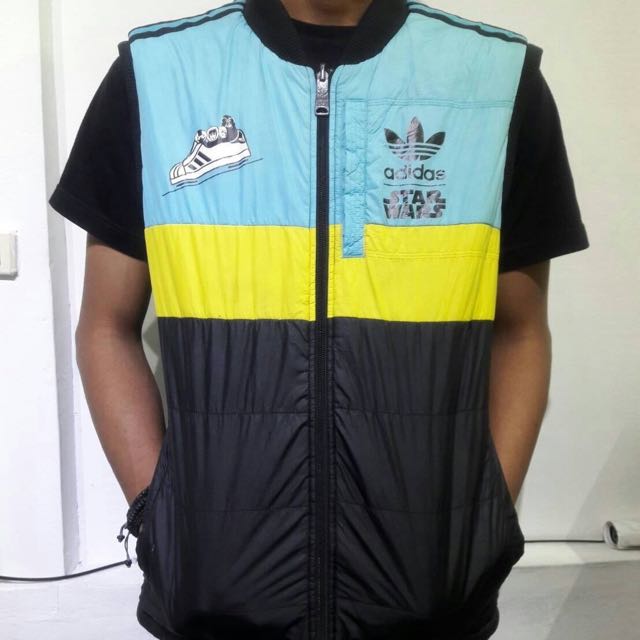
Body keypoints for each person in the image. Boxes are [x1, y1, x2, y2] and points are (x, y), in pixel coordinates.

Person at [48, 1, 590, 638]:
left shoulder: (497, 79)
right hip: (214, 602)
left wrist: (486, 516)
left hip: (432, 601)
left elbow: (520, 330)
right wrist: (158, 516)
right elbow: (105, 327)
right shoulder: (157, 74)